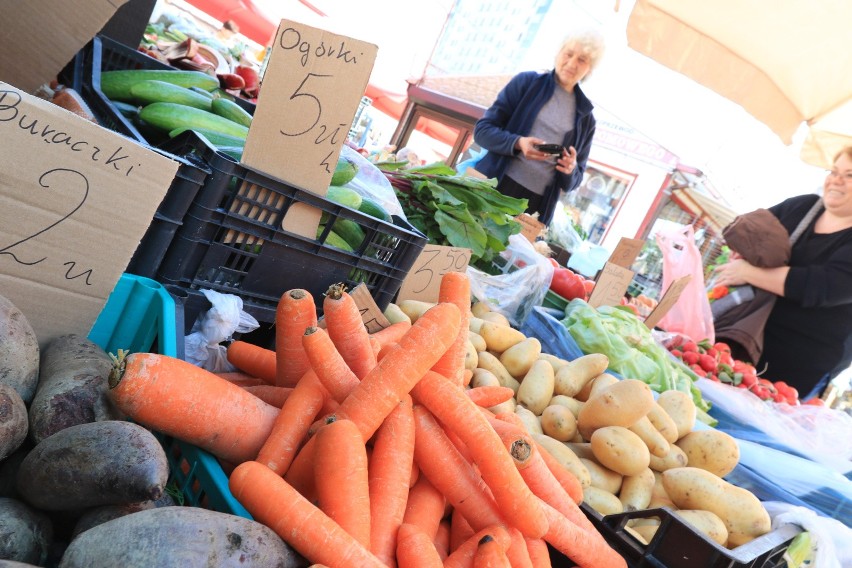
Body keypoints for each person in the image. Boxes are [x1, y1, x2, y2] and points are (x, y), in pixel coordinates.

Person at [713, 146, 852, 399]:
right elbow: (746, 228)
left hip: (798, 366)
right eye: (834, 171)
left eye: (850, 175)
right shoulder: (802, 206)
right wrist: (742, 251)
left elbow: (823, 287)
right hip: (738, 337)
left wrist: (748, 272)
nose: (836, 180)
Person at [472, 28, 605, 225]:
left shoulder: (587, 119)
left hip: (536, 207)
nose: (572, 63)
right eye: (569, 54)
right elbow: (482, 131)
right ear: (558, 53)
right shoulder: (526, 83)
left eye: (582, 59)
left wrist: (570, 169)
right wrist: (518, 143)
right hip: (493, 186)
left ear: (590, 69)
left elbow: (574, 182)